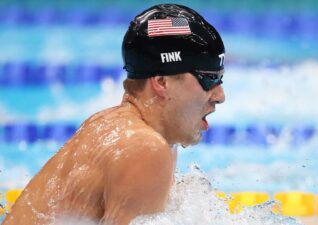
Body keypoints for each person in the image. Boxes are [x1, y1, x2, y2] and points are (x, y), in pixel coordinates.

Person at [2, 4, 225, 225]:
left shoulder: (126, 130)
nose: (220, 95)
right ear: (161, 82)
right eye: (208, 78)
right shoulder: (144, 148)